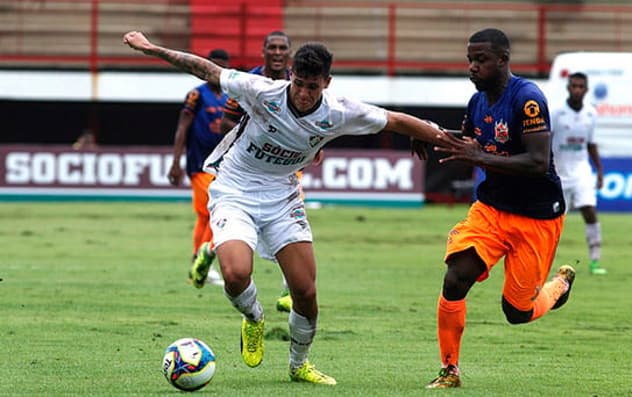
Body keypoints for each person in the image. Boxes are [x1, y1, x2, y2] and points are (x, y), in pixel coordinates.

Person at [123, 30, 457, 385]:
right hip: (235, 190)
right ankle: (253, 318)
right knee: (236, 275)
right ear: (291, 76)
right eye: (298, 83)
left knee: (305, 291)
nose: (303, 93)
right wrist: (153, 48)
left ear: (326, 83)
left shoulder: (340, 111)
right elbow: (206, 70)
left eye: (312, 86)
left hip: (283, 197)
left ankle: (299, 365)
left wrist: (437, 136)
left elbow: (394, 119)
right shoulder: (263, 91)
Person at [423, 28, 576, 389]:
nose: (472, 68)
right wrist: (428, 135)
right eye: (470, 60)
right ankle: (450, 370)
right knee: (455, 277)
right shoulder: (478, 103)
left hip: (537, 216)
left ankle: (557, 288)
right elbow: (469, 145)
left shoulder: (528, 99)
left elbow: (538, 161)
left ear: (503, 61)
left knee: (517, 312)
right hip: (491, 210)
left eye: (481, 60)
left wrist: (479, 155)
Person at [201, 30, 296, 311]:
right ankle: (212, 249)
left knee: (289, 227)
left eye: (283, 48)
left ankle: (287, 293)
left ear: (289, 53)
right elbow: (225, 124)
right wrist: (260, 136)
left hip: (287, 168)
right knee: (246, 228)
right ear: (263, 51)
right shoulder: (247, 82)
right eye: (273, 48)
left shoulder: (299, 83)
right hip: (249, 169)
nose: (278, 53)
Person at [167, 49, 230, 286]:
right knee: (216, 213)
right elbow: (182, 128)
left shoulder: (229, 96)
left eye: (220, 67)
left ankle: (197, 263)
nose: (214, 72)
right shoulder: (196, 95)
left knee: (205, 217)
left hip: (224, 166)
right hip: (201, 165)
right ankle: (201, 261)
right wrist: (176, 162)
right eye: (212, 66)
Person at [551, 72, 607, 275]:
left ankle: (595, 262)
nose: (577, 90)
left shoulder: (591, 113)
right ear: (568, 88)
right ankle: (545, 258)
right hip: (559, 172)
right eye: (573, 86)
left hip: (582, 170)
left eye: (580, 86)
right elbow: (546, 140)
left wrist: (599, 171)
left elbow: (591, 144)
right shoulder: (556, 113)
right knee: (554, 221)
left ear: (586, 89)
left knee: (589, 211)